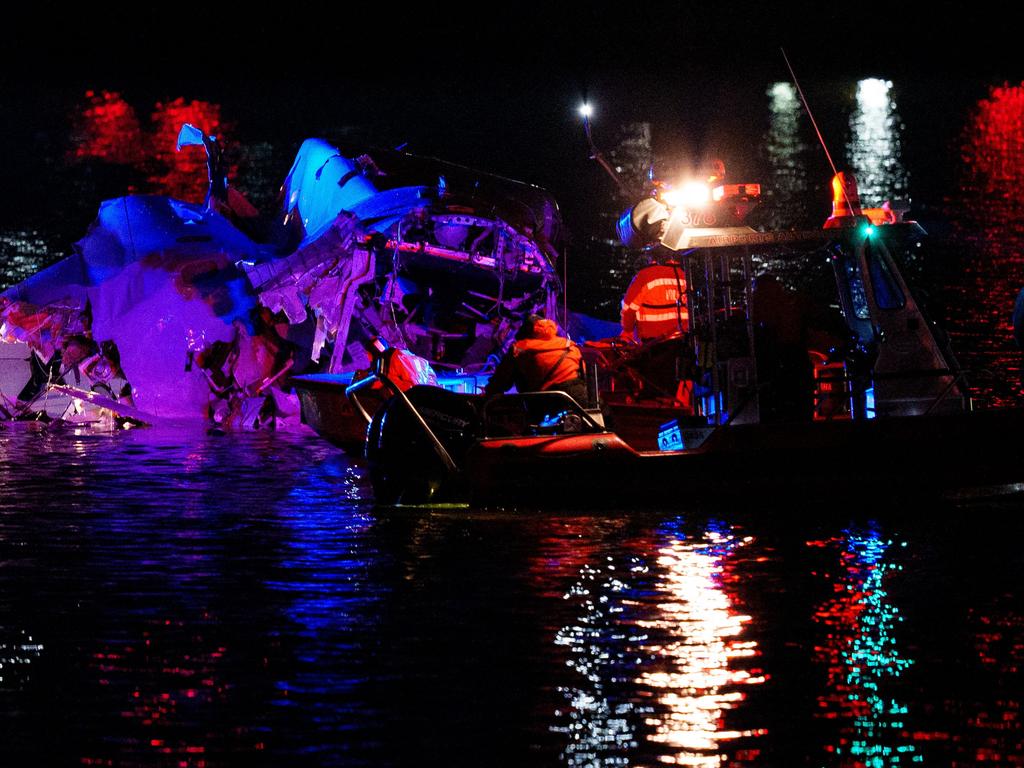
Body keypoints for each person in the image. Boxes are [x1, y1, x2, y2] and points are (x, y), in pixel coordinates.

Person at [483, 315, 586, 403]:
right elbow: (583, 374)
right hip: (579, 398)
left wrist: (487, 394)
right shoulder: (568, 344)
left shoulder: (519, 348)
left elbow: (500, 382)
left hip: (548, 403)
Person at [620, 258, 689, 342]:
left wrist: (628, 330)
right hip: (682, 338)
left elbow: (628, 308)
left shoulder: (646, 275)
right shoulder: (685, 276)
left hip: (654, 343)